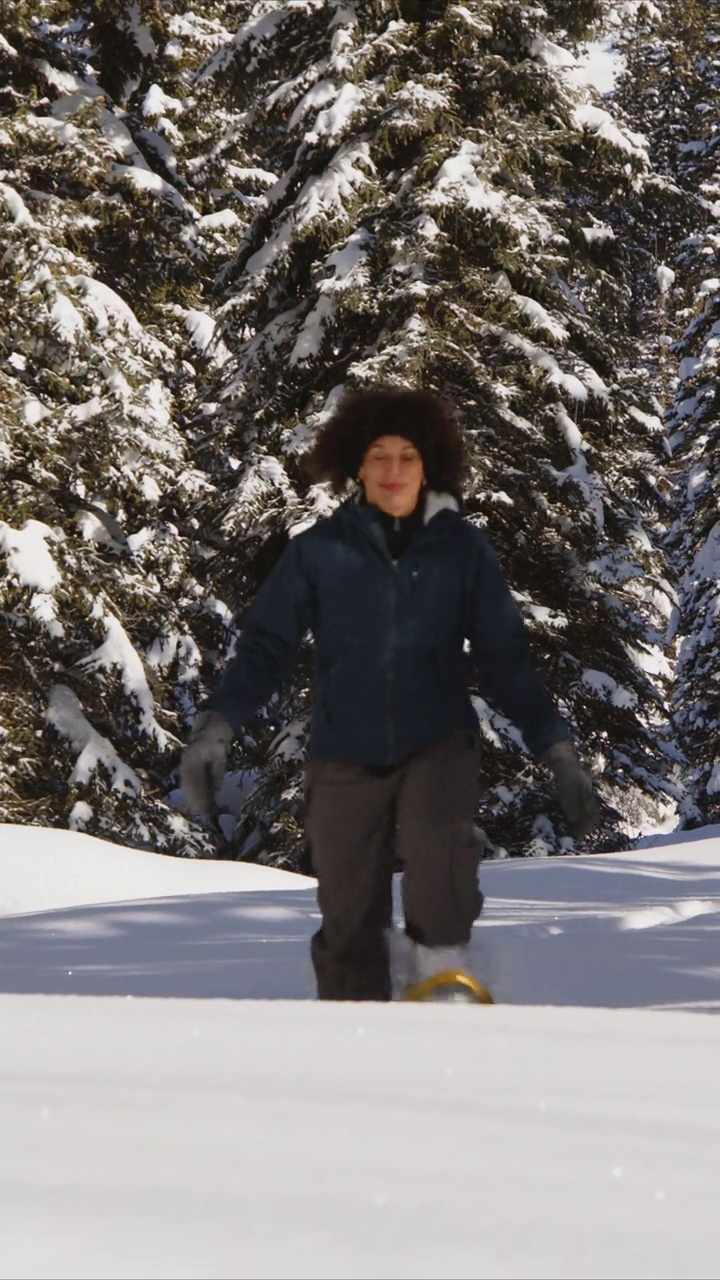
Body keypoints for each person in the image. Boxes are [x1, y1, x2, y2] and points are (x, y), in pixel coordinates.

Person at [180, 386, 600, 1000]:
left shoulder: (462, 550)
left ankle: (443, 985)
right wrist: (218, 727)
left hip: (438, 742)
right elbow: (267, 647)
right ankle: (356, 1032)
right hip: (343, 750)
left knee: (438, 872)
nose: (394, 469)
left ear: (429, 464)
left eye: (407, 455)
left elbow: (505, 657)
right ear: (357, 465)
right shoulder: (319, 552)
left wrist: (557, 749)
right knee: (349, 918)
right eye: (379, 455)